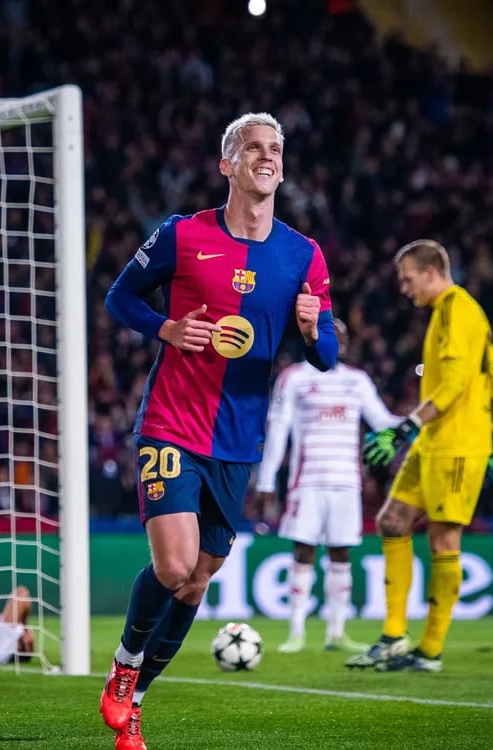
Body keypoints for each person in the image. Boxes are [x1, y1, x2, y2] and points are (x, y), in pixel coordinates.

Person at [100, 112, 338, 750]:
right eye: (254, 148)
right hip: (171, 424)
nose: (268, 157)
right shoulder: (182, 236)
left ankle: (139, 703)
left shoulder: (301, 255)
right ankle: (124, 666)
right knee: (175, 565)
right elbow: (120, 299)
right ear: (227, 164)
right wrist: (168, 329)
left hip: (238, 442)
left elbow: (329, 355)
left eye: (277, 150)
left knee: (200, 578)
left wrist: (315, 331)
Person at [348, 239, 493, 673]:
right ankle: (392, 635)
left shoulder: (460, 309)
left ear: (430, 272)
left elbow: (457, 381)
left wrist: (407, 426)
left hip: (456, 444)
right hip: (436, 441)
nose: (404, 289)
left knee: (443, 539)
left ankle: (430, 650)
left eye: (407, 279)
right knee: (392, 521)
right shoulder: (447, 313)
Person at [254, 319, 403, 654]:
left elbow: (382, 421)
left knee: (341, 553)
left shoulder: (357, 381)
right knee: (303, 552)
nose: (341, 343)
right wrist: (266, 481)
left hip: (346, 483)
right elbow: (278, 430)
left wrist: (417, 422)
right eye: (334, 337)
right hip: (306, 482)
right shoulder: (294, 378)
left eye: (345, 338)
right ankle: (296, 633)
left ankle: (336, 632)